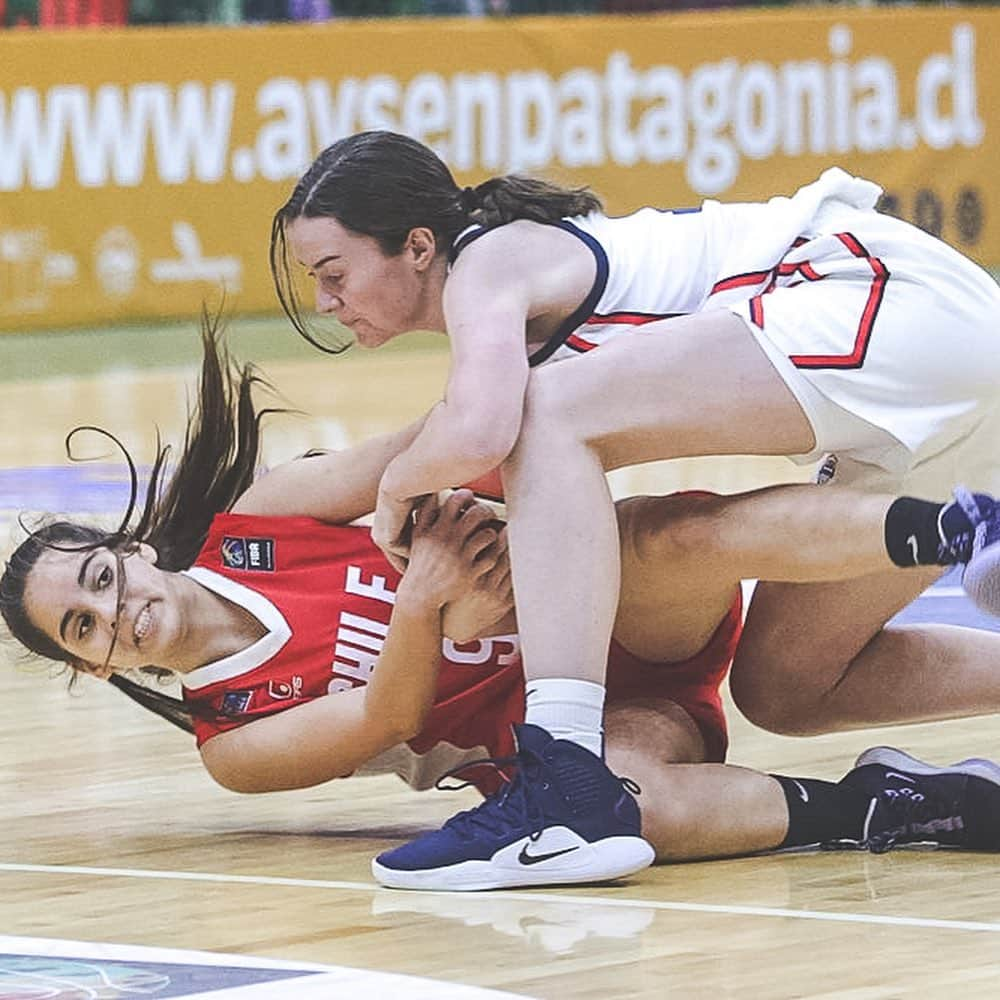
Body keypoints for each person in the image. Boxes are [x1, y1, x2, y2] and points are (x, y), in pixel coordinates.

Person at [5, 315, 1000, 891]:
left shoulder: (259, 520)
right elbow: (385, 717)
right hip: (584, 727)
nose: (115, 610)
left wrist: (490, 499)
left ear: (127, 548)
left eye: (99, 579)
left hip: (621, 606)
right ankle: (903, 803)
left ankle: (962, 531)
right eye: (84, 629)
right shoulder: (230, 740)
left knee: (654, 539)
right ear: (95, 668)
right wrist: (430, 605)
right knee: (624, 813)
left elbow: (406, 451)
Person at [270, 130, 1000, 887]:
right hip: (955, 363)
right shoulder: (505, 300)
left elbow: (486, 424)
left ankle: (561, 783)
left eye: (334, 273)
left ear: (418, 246)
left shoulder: (488, 258)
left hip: (874, 294)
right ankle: (976, 531)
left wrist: (394, 490)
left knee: (540, 412)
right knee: (787, 684)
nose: (327, 302)